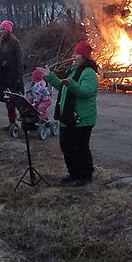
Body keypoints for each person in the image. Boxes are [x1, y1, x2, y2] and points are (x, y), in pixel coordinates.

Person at [41, 41, 99, 187]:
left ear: (84, 57)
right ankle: (73, 174)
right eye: (74, 53)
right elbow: (63, 86)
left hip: (82, 119)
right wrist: (50, 77)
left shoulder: (89, 73)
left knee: (80, 147)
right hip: (68, 117)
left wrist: (71, 84)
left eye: (77, 54)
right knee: (66, 146)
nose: (73, 56)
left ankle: (85, 176)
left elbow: (86, 92)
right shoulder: (72, 70)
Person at [0, 20, 25, 131]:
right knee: (8, 101)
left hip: (14, 77)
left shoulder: (14, 43)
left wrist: (19, 76)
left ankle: (25, 121)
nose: (1, 31)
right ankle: (12, 123)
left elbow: (19, 60)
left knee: (18, 100)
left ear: (8, 30)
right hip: (4, 77)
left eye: (3, 29)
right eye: (0, 29)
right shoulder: (1, 42)